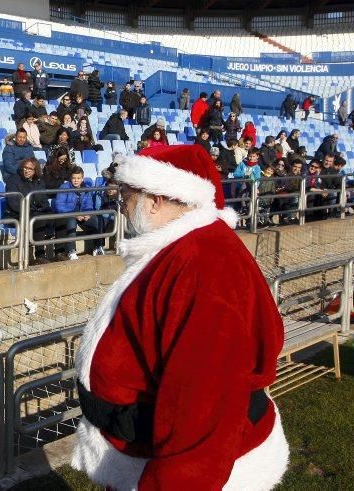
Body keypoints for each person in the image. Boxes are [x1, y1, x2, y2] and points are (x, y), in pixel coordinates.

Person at [70, 144, 288, 490]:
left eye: (126, 194)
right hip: (143, 446)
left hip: (175, 460)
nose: (121, 205)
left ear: (155, 199)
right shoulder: (189, 249)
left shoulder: (202, 264)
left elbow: (205, 400)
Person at [5, 158, 51, 265]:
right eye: (25, 168)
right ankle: (40, 255)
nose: (27, 171)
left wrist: (46, 209)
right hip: (17, 214)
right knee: (38, 220)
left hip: (35, 212)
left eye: (30, 169)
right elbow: (14, 204)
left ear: (35, 171)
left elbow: (44, 200)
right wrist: (34, 210)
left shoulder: (39, 181)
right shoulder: (13, 180)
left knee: (60, 218)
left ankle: (61, 252)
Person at [53, 167, 96, 261]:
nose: (76, 180)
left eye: (78, 178)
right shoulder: (64, 187)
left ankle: (97, 246)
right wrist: (73, 214)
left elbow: (89, 204)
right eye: (74, 178)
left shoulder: (86, 189)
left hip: (81, 214)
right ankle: (71, 250)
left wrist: (87, 213)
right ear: (70, 178)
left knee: (95, 220)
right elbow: (59, 206)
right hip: (68, 214)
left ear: (82, 178)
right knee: (71, 222)